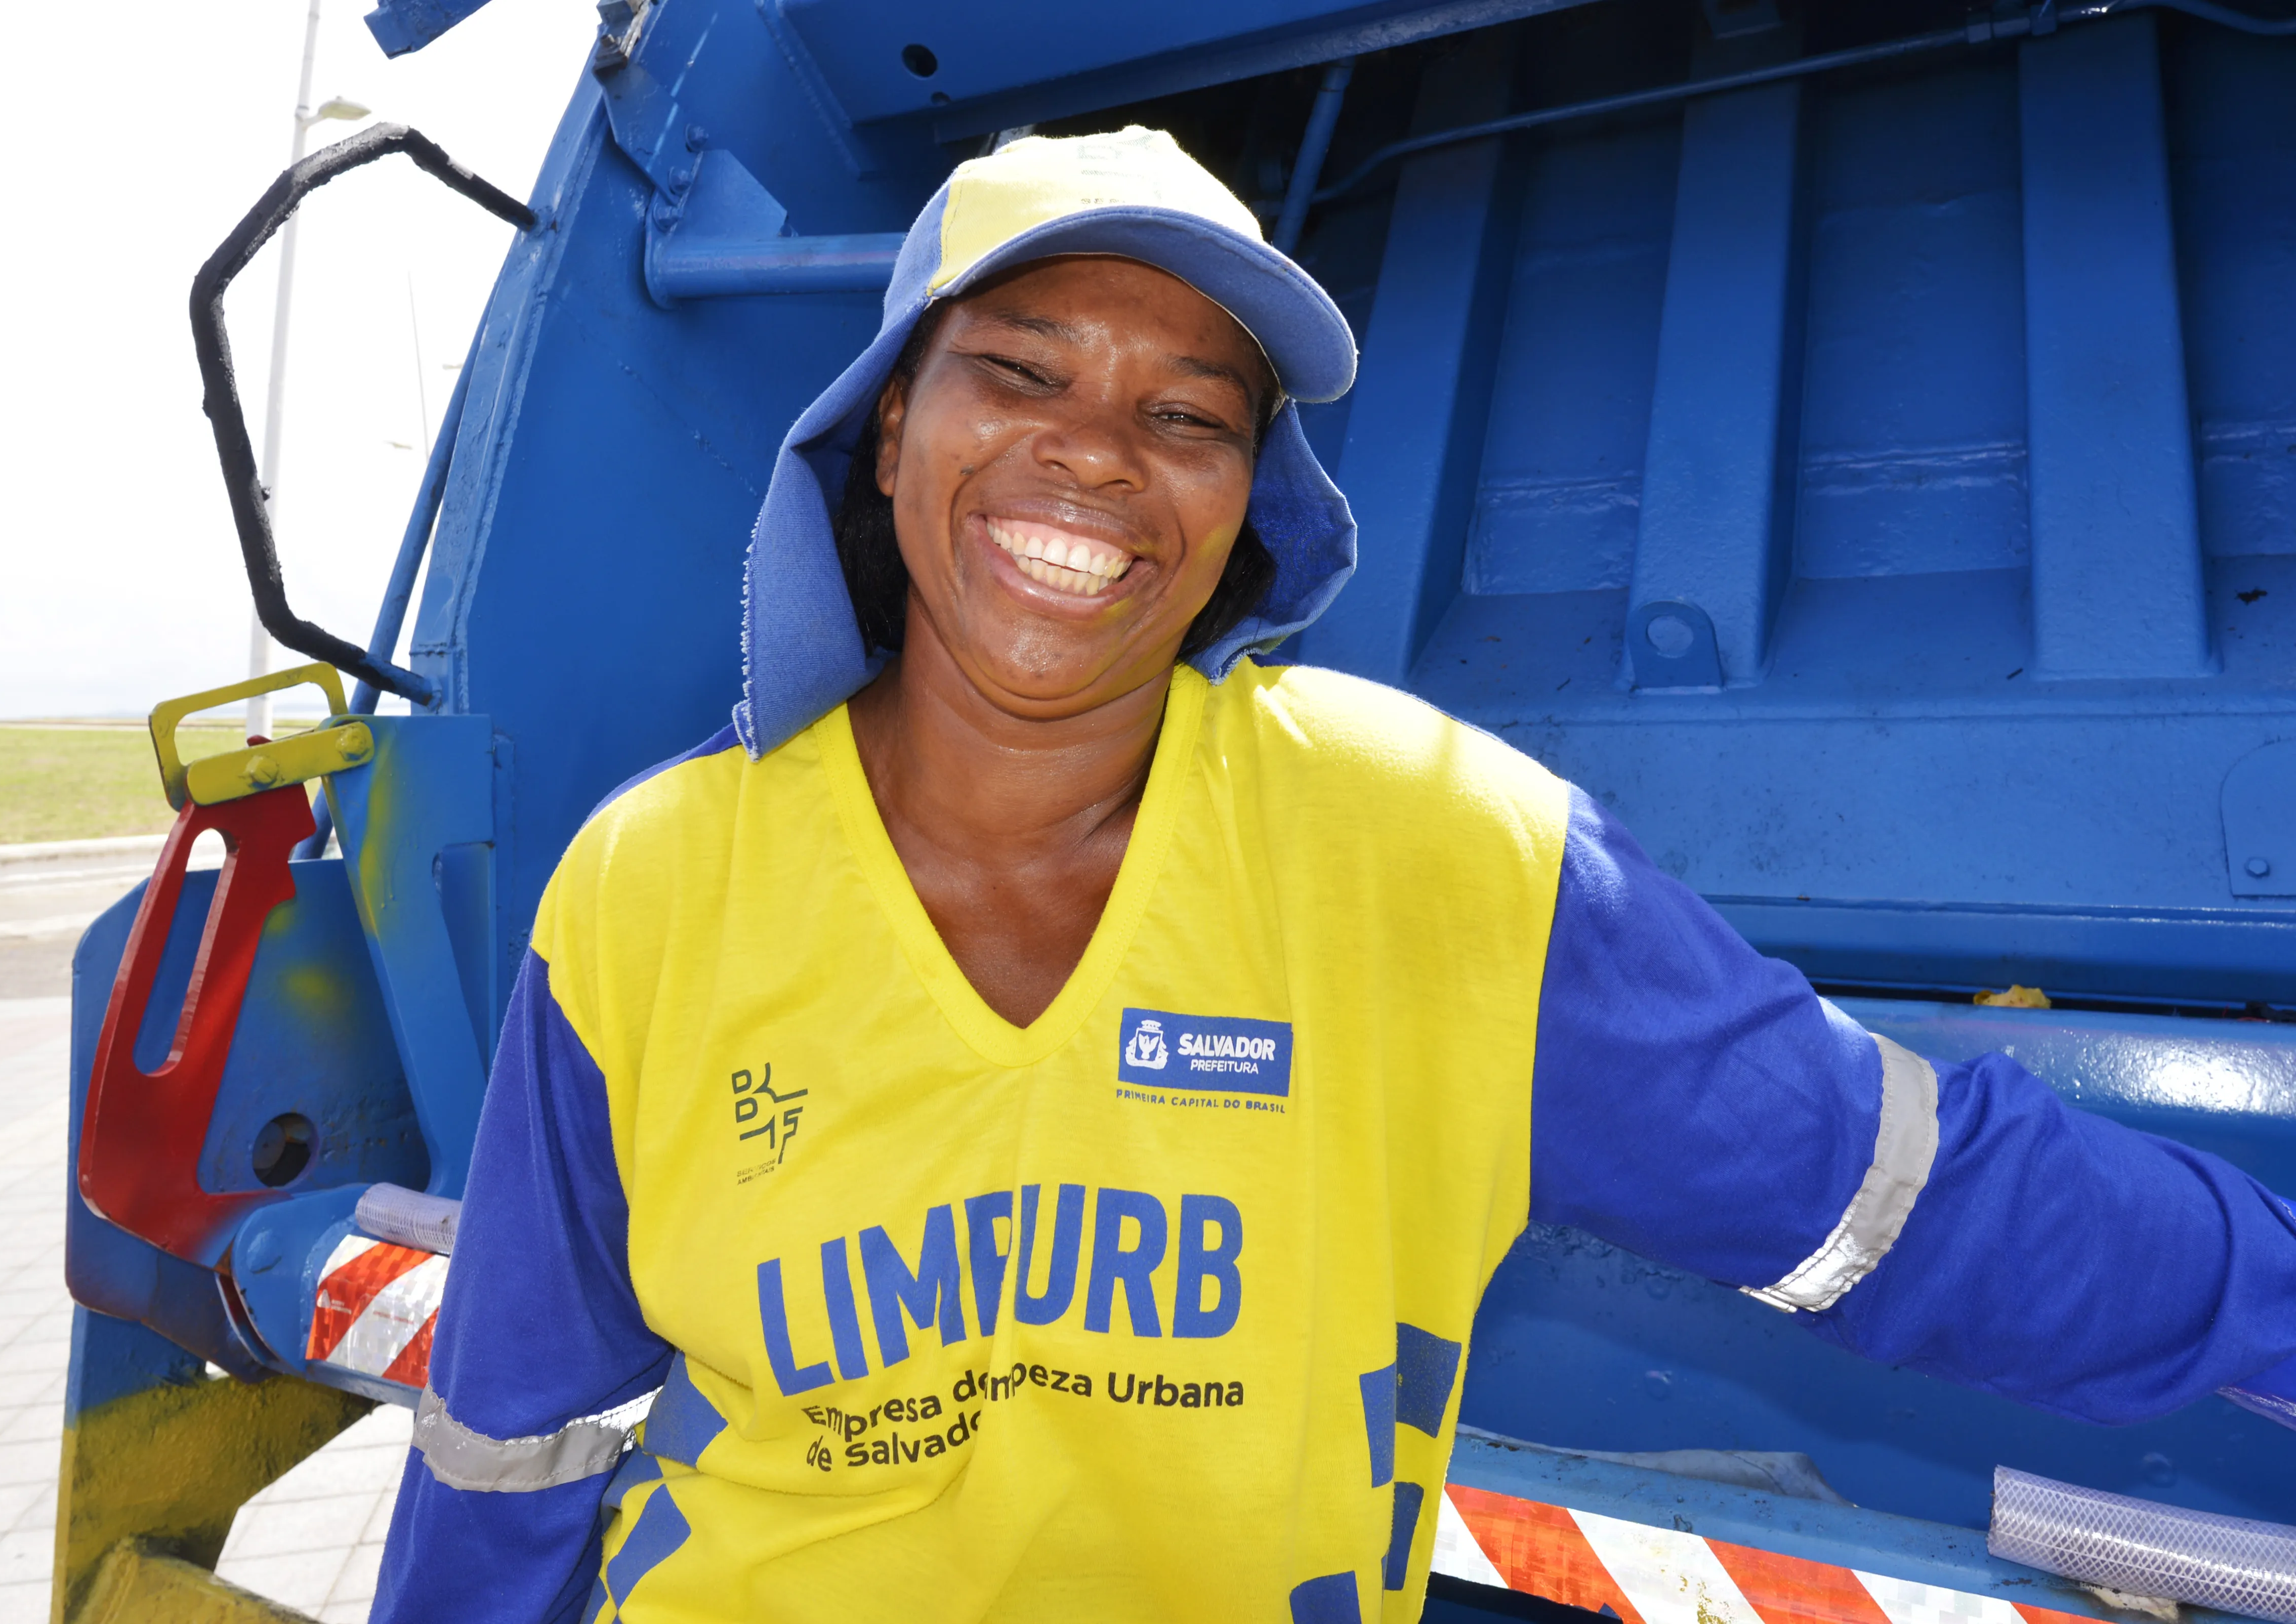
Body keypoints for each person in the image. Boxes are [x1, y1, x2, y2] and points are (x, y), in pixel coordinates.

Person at [369, 127, 2296, 1624]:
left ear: (1247, 509)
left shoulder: (1435, 854)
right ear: (894, 430)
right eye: (1019, 375)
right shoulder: (652, 888)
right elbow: (518, 1434)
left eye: (1185, 415)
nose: (1095, 458)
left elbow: (1909, 1208)